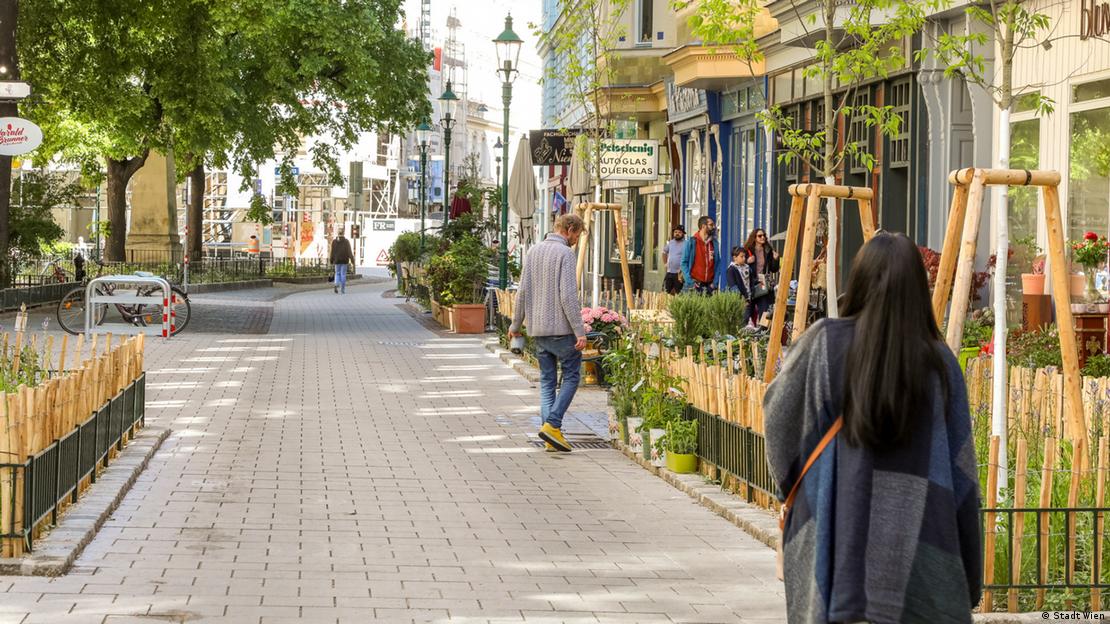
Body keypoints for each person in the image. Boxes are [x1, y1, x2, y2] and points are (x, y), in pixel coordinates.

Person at [763, 232, 981, 624]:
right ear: (919, 287)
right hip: (920, 556)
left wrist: (801, 491)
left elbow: (777, 422)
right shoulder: (940, 364)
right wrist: (968, 575)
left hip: (833, 545)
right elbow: (962, 474)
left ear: (858, 279)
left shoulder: (823, 343)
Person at [508, 214, 587, 453]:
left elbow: (522, 293)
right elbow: (568, 297)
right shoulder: (565, 254)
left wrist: (515, 326)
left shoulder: (533, 251)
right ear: (569, 229)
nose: (576, 241)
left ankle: (549, 436)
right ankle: (553, 424)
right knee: (573, 376)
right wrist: (579, 331)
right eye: (577, 235)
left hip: (538, 331)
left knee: (547, 381)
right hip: (561, 331)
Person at [744, 228, 780, 323]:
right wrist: (747, 262)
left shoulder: (768, 250)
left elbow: (774, 269)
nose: (762, 237)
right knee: (748, 311)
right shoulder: (747, 251)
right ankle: (746, 333)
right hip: (750, 283)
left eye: (764, 235)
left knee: (764, 310)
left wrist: (776, 259)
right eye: (760, 236)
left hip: (763, 282)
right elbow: (740, 266)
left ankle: (763, 332)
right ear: (754, 238)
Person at [681, 216, 719, 295]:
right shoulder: (691, 242)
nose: (714, 227)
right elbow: (684, 263)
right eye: (711, 225)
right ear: (703, 226)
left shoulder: (714, 243)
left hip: (710, 286)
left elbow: (718, 263)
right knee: (692, 307)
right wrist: (690, 282)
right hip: (694, 285)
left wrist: (714, 283)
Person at [724, 247, 753, 325]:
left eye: (745, 256)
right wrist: (742, 299)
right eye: (741, 256)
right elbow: (733, 286)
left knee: (746, 320)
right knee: (741, 321)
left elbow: (751, 281)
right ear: (735, 257)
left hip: (749, 298)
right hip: (740, 300)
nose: (744, 258)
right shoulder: (731, 270)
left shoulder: (747, 268)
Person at [661, 225, 686, 295]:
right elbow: (664, 252)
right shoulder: (671, 243)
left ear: (683, 234)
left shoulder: (686, 244)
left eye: (679, 232)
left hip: (680, 273)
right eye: (675, 232)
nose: (677, 233)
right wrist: (665, 263)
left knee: (679, 293)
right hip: (669, 272)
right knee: (665, 292)